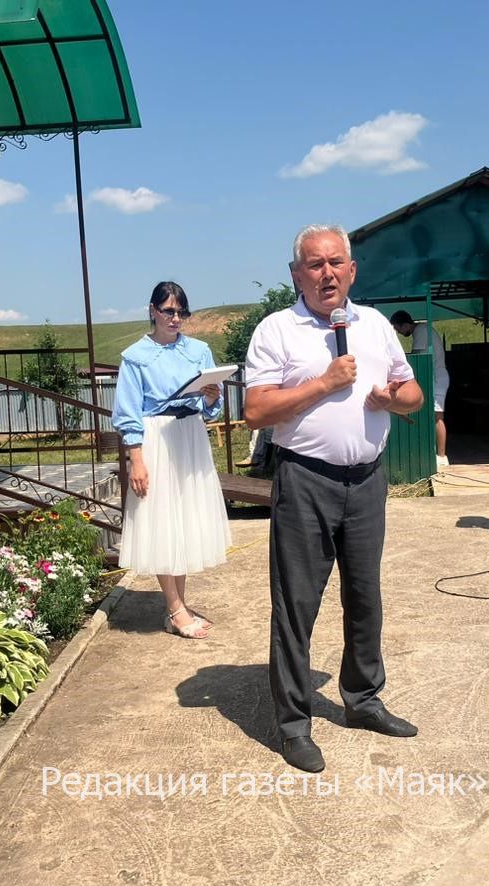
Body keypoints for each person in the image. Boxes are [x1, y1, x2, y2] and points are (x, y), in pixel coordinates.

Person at [244, 224, 424, 773]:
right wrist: (323, 384)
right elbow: (256, 411)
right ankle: (294, 724)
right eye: (315, 264)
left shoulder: (371, 324)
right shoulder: (276, 330)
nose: (327, 273)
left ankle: (363, 700)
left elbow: (413, 395)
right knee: (297, 606)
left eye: (336, 262)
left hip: (368, 480)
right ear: (297, 274)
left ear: (352, 270)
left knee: (366, 598)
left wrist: (393, 398)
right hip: (305, 481)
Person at [111, 282, 232, 637]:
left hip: (190, 436)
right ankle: (176, 609)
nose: (175, 318)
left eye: (181, 312)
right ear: (153, 311)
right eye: (168, 311)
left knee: (183, 519)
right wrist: (137, 459)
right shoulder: (135, 356)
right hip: (157, 439)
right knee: (162, 519)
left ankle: (177, 604)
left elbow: (213, 408)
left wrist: (211, 397)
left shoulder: (199, 350)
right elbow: (128, 411)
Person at [389, 310, 451, 468]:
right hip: (435, 377)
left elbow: (415, 356)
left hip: (438, 378)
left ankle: (442, 456)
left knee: (437, 416)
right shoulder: (421, 331)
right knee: (434, 415)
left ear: (405, 325)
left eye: (398, 329)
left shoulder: (422, 331)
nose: (399, 332)